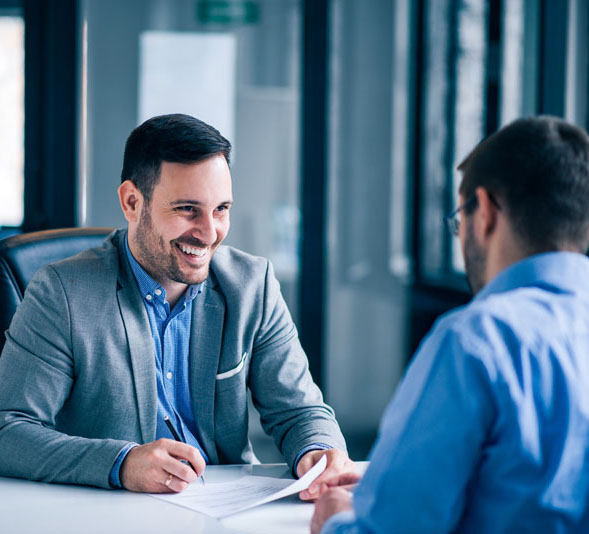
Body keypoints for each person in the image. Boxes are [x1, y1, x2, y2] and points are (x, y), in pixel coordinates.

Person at [0, 113, 352, 494]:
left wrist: (319, 449)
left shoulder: (252, 284)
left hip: (225, 510)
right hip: (113, 513)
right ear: (132, 202)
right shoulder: (61, 293)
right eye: (187, 209)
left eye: (221, 209)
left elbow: (299, 410)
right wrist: (121, 464)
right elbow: (8, 430)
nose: (208, 233)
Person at [311, 116, 589, 533]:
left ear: (487, 211)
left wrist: (334, 521)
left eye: (460, 220)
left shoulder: (477, 340)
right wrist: (392, 480)